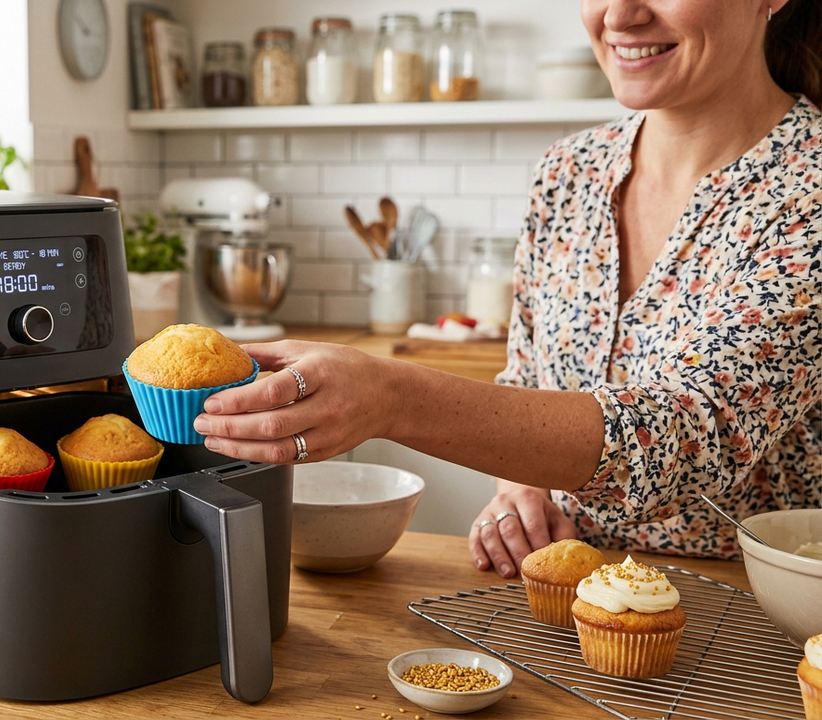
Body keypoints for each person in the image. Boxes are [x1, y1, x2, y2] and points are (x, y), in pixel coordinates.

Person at [193, 0, 822, 578]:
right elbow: (527, 381)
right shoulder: (566, 173)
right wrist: (517, 489)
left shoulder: (807, 189)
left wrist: (390, 396)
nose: (622, 15)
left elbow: (691, 435)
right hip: (558, 601)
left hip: (759, 620)